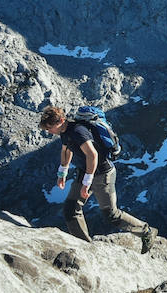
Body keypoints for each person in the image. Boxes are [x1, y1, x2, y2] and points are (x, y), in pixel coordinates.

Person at [40, 104, 156, 253]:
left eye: (50, 127)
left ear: (61, 120)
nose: (49, 131)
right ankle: (84, 247)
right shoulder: (65, 132)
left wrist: (86, 183)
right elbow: (66, 150)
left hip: (102, 174)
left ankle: (146, 231)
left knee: (111, 214)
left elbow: (92, 155)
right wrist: (62, 173)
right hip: (85, 172)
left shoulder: (77, 131)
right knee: (70, 209)